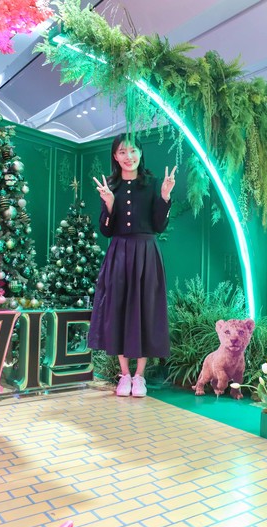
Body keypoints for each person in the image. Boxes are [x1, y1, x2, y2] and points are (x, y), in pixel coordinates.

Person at [87, 133, 176, 398]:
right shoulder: (110, 186)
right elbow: (106, 230)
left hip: (146, 253)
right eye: (123, 152)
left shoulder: (153, 184)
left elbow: (159, 225)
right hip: (119, 253)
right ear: (115, 156)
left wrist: (165, 197)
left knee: (145, 309)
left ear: (140, 153)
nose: (129, 156)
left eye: (133, 150)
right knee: (119, 309)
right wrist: (109, 205)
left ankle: (140, 377)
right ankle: (124, 375)